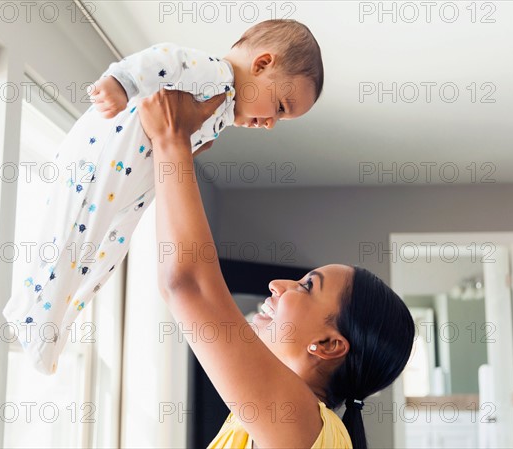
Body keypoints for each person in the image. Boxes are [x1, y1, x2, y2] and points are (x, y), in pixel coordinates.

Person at [2, 19, 324, 375]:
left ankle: (54, 328)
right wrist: (120, 82)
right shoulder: (214, 74)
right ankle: (33, 318)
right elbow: (164, 59)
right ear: (262, 64)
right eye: (279, 107)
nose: (271, 123)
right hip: (102, 163)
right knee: (75, 240)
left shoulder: (220, 111)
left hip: (131, 187)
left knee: (105, 255)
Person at [136, 89, 416, 448]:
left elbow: (187, 284)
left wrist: (170, 139)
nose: (277, 284)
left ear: (328, 344)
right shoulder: (277, 423)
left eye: (306, 287)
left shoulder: (301, 423)